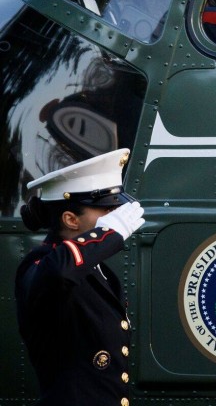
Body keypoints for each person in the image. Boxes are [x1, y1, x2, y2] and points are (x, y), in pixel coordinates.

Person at [15, 149, 146, 405]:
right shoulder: (41, 264)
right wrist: (108, 235)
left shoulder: (99, 272)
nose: (115, 218)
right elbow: (58, 273)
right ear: (70, 219)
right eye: (106, 211)